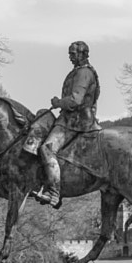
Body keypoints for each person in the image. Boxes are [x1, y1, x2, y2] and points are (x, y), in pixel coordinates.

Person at [23, 40, 98, 206]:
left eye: (73, 54)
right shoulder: (79, 71)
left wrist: (58, 103)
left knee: (47, 149)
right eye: (69, 53)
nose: (70, 57)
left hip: (76, 121)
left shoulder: (84, 73)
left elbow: (76, 99)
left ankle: (54, 193)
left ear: (83, 54)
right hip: (70, 118)